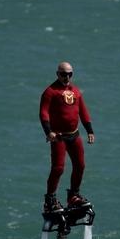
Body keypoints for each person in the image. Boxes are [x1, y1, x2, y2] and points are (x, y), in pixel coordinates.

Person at [39, 62, 95, 213]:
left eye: (70, 74)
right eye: (63, 74)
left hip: (74, 135)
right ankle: (50, 200)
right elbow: (43, 113)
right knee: (58, 168)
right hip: (58, 137)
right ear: (57, 74)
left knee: (80, 165)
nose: (67, 77)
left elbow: (83, 112)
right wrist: (48, 131)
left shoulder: (75, 91)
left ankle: (73, 196)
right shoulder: (50, 92)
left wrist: (89, 130)